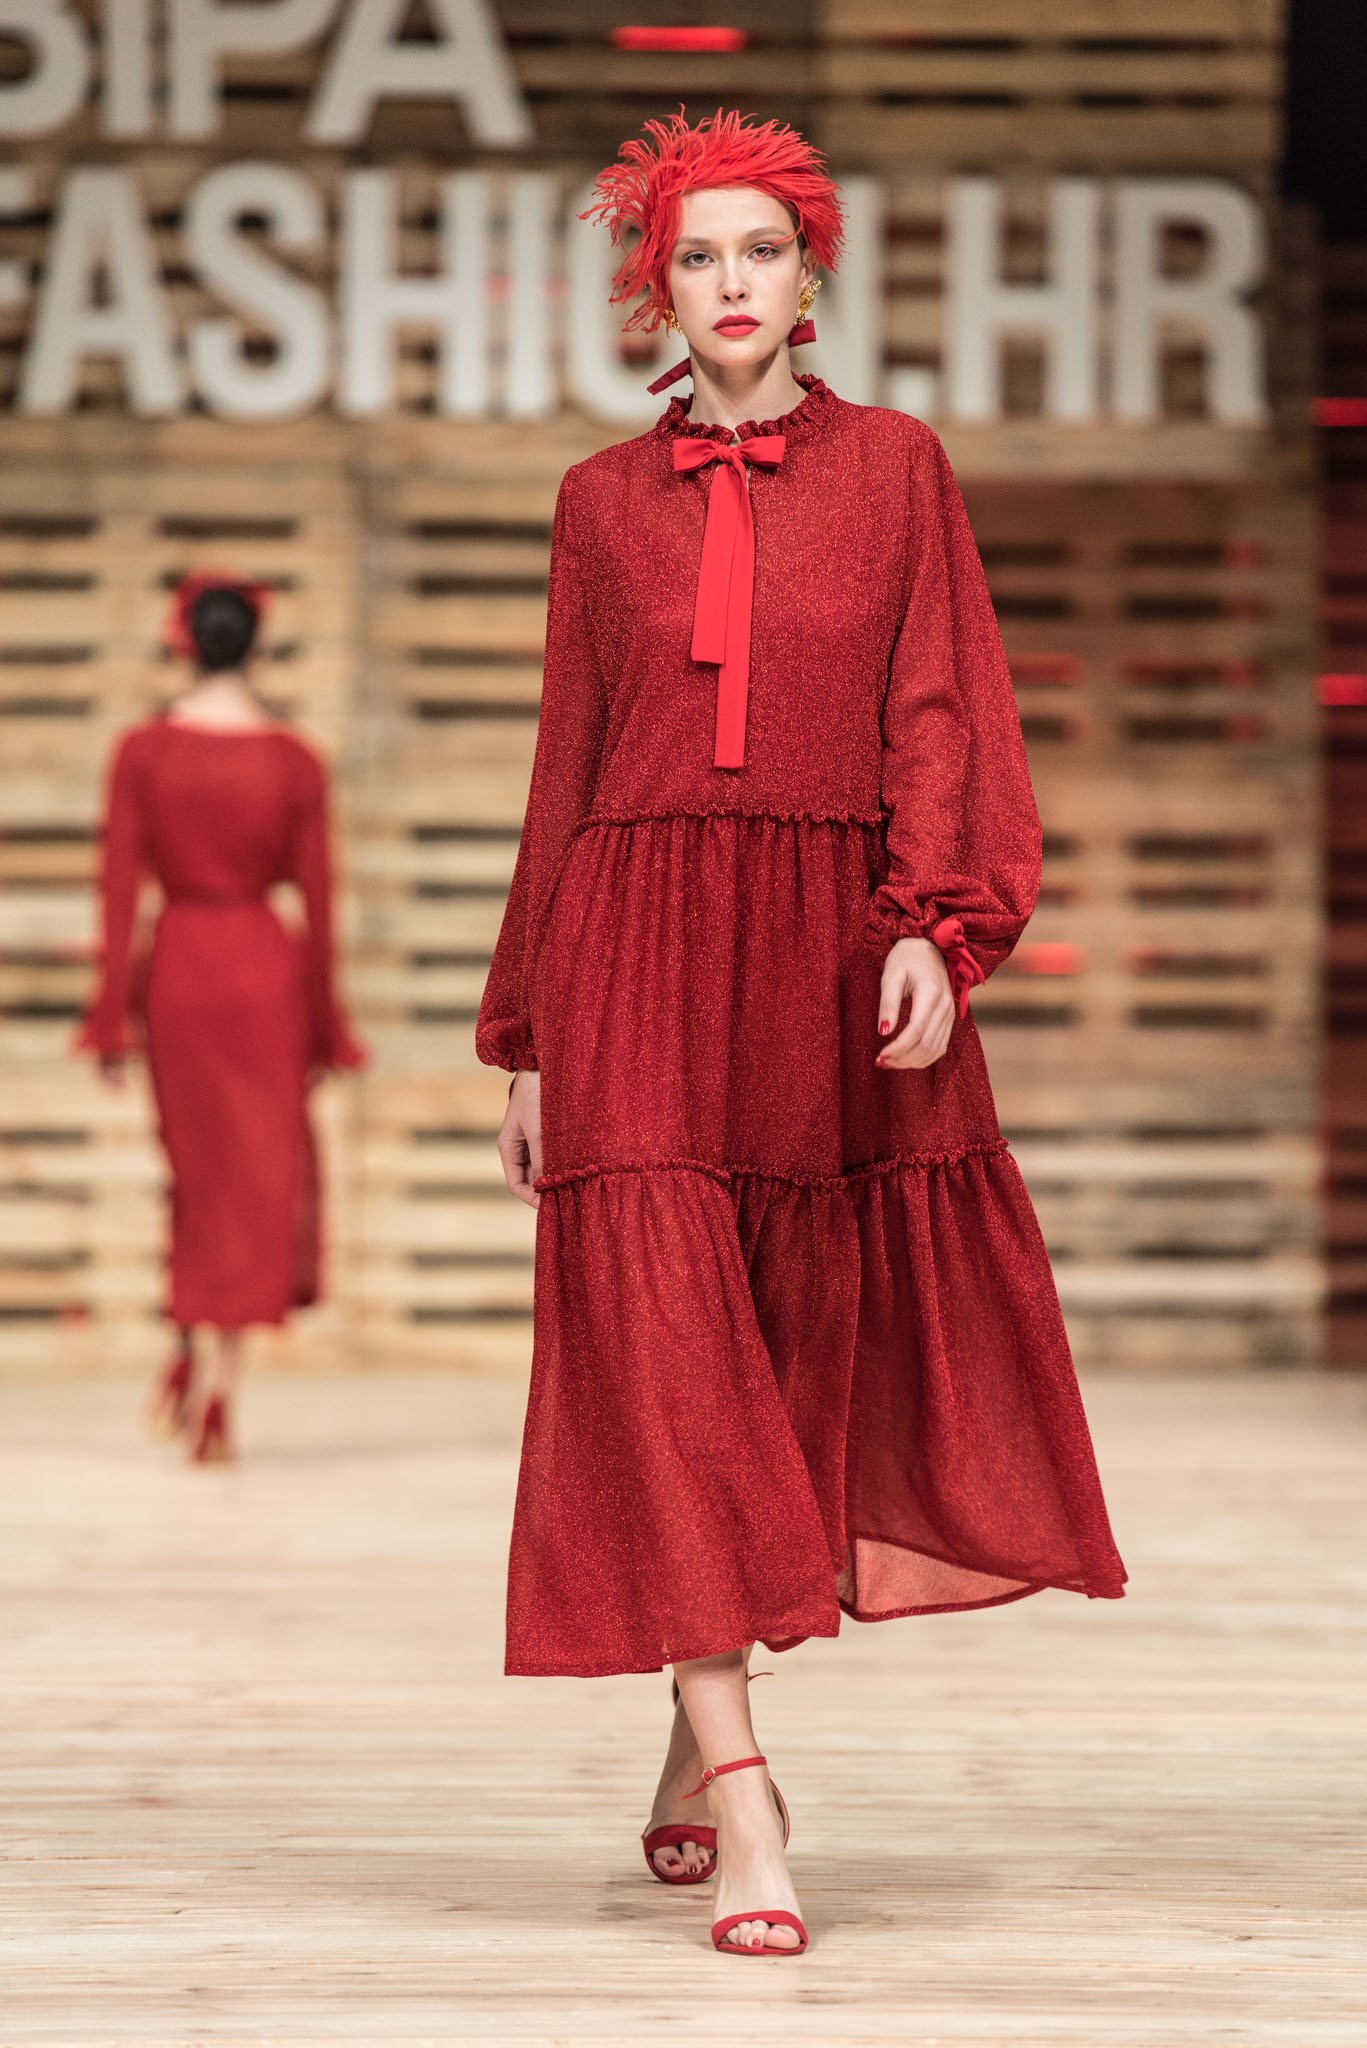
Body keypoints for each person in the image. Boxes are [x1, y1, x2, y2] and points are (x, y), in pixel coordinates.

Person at [476, 105, 1127, 1958]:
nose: (730, 283)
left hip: (822, 954)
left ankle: (687, 1738)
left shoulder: (896, 468)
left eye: (758, 251)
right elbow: (566, 767)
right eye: (695, 256)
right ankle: (750, 1789)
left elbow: (943, 704)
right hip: (634, 951)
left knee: (786, 1351)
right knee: (660, 1346)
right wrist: (526, 1030)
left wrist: (938, 923)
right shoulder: (599, 504)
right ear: (656, 290)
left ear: (808, 273)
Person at [73, 575, 367, 1460]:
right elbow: (320, 903)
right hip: (263, 970)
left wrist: (109, 1019)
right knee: (250, 1175)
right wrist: (327, 1027)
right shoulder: (294, 761)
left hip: (181, 969)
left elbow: (118, 891)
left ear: (184, 642)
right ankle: (216, 1386)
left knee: (194, 1169)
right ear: (257, 645)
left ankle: (189, 1346)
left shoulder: (144, 752)